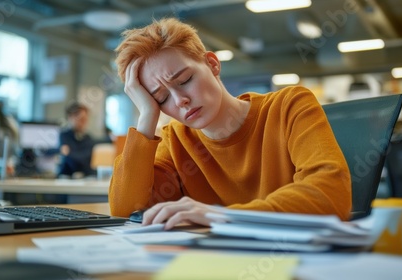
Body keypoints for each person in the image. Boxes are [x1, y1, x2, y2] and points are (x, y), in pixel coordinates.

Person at [110, 18, 351, 230]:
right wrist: (146, 117)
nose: (180, 100)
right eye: (161, 98)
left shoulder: (288, 106)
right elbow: (126, 211)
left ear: (213, 64)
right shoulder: (175, 140)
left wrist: (226, 216)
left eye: (185, 80)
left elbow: (331, 194)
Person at [57, 101, 96, 178]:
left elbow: (85, 159)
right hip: (66, 177)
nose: (83, 123)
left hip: (86, 177)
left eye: (85, 119)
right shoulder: (64, 135)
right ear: (70, 117)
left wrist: (69, 153)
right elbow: (69, 160)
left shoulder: (88, 138)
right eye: (80, 119)